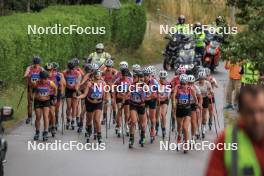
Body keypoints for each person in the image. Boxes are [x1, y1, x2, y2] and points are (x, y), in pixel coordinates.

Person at [206, 85, 264, 176]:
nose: (257, 119)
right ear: (240, 112)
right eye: (250, 112)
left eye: (262, 111)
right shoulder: (225, 140)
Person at [77, 69, 106, 144]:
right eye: (97, 75)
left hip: (98, 103)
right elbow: (84, 94)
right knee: (89, 120)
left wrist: (107, 100)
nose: (98, 76)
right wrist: (78, 97)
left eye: (99, 75)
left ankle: (99, 135)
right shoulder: (89, 84)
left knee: (96, 120)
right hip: (89, 103)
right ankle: (88, 131)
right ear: (93, 76)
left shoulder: (103, 83)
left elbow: (105, 93)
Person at [172, 74, 198, 153]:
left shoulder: (191, 89)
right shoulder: (177, 87)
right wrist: (173, 103)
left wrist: (196, 106)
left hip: (187, 110)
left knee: (185, 127)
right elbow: (173, 96)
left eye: (185, 83)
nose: (183, 85)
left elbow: (196, 99)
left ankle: (186, 145)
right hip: (179, 109)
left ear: (187, 82)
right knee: (179, 127)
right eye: (182, 83)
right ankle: (179, 137)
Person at [33, 71, 57, 141]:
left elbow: (55, 88)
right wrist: (33, 96)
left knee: (45, 116)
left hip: (46, 101)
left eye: (45, 79)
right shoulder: (36, 83)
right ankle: (37, 132)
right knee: (38, 117)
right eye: (42, 79)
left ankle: (45, 131)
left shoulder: (50, 83)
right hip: (38, 101)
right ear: (40, 78)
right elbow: (33, 90)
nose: (44, 80)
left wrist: (54, 97)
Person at [129, 70, 147, 148]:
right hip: (133, 105)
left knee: (142, 125)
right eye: (133, 77)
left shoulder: (144, 86)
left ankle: (142, 137)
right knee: (133, 121)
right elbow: (128, 94)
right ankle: (131, 139)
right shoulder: (132, 85)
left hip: (141, 105)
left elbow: (149, 95)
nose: (133, 78)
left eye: (135, 77)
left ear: (139, 78)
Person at [112, 68, 132, 137]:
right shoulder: (118, 80)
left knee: (127, 113)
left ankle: (126, 125)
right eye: (123, 75)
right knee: (120, 112)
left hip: (127, 98)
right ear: (121, 74)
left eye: (126, 75)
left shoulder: (129, 80)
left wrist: (127, 94)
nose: (125, 76)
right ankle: (119, 126)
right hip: (119, 97)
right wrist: (113, 99)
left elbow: (131, 89)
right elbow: (114, 90)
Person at [63, 60, 82, 130]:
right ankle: (68, 119)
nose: (71, 70)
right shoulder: (65, 73)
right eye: (69, 69)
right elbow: (63, 82)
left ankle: (73, 120)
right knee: (68, 106)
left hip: (75, 89)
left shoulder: (78, 73)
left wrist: (77, 91)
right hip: (68, 90)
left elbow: (77, 83)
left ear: (74, 68)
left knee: (74, 106)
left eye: (72, 69)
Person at [24, 56, 43, 124]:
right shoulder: (29, 68)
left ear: (39, 63)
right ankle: (29, 117)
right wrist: (26, 75)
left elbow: (45, 75)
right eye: (35, 63)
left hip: (38, 87)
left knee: (37, 101)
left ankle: (37, 114)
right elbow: (26, 74)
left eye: (37, 63)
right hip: (31, 87)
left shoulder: (41, 68)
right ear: (33, 62)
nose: (36, 65)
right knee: (30, 102)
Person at [195, 71, 213, 139]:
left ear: (205, 78)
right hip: (198, 99)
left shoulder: (207, 83)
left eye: (202, 78)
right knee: (198, 114)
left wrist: (211, 93)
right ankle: (197, 129)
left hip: (205, 99)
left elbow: (211, 91)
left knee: (204, 114)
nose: (201, 80)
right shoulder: (196, 84)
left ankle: (203, 128)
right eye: (200, 78)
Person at [144, 66, 159, 143]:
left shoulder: (154, 82)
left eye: (147, 75)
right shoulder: (141, 83)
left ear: (150, 75)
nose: (145, 77)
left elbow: (154, 94)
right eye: (144, 75)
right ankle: (143, 132)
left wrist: (147, 97)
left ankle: (152, 129)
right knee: (144, 117)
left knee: (152, 117)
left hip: (152, 100)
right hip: (144, 100)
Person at [101, 59, 118, 125]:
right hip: (107, 88)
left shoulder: (114, 71)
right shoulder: (104, 71)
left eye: (109, 66)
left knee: (113, 102)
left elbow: (117, 79)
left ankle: (114, 118)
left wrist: (113, 83)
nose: (108, 68)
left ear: (112, 66)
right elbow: (101, 78)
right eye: (107, 66)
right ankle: (104, 118)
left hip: (113, 88)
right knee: (106, 102)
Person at [187, 75, 202, 141]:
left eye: (192, 83)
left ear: (194, 82)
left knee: (193, 122)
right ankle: (185, 134)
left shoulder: (196, 88)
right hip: (185, 105)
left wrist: (199, 105)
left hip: (193, 105)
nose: (190, 84)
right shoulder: (184, 88)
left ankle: (193, 136)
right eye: (189, 83)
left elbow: (200, 98)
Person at [157, 70, 171, 139]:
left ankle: (164, 129)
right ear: (159, 78)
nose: (163, 80)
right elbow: (155, 93)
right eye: (162, 78)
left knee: (163, 114)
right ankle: (157, 125)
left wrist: (161, 97)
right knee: (158, 116)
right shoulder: (157, 83)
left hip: (165, 100)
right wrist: (158, 97)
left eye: (164, 78)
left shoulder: (168, 84)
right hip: (158, 100)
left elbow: (167, 95)